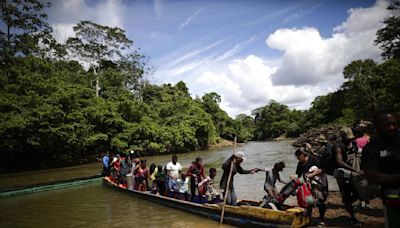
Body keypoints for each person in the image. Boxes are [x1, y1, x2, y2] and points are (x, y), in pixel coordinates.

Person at [362, 112, 400, 228]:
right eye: (387, 125)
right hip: (393, 197)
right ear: (377, 127)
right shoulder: (371, 149)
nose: (391, 128)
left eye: (394, 124)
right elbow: (372, 176)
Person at [333, 127, 364, 226]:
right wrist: (354, 170)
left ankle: (347, 204)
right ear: (342, 137)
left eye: (351, 138)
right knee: (347, 195)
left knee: (358, 194)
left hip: (354, 174)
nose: (350, 139)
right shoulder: (338, 147)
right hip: (343, 175)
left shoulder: (353, 145)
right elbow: (339, 161)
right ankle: (353, 218)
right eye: (348, 138)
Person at [294, 148, 328, 226]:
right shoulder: (300, 164)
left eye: (298, 156)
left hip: (319, 184)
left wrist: (312, 174)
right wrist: (294, 177)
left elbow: (322, 169)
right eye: (297, 156)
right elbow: (298, 175)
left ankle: (321, 220)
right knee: (309, 202)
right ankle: (308, 219)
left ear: (303, 154)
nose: (298, 158)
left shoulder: (314, 160)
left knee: (320, 202)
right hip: (307, 186)